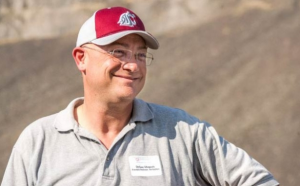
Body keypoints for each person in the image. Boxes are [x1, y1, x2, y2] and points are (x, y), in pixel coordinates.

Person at [1, 6, 279, 186]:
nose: (133, 65)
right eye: (118, 51)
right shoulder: (38, 141)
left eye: (141, 55)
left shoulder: (183, 132)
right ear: (81, 58)